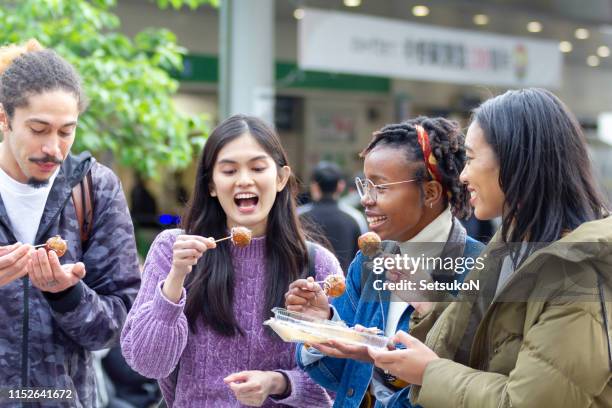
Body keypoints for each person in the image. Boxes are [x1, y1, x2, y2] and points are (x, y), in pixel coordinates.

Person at [367, 89, 612, 407]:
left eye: (470, 158)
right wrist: (432, 307)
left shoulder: (577, 272)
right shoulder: (510, 247)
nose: (463, 175)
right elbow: (491, 350)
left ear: (515, 162)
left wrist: (430, 373)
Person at [121, 115, 338, 407]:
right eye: (229, 170)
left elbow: (341, 382)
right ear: (211, 184)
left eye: (258, 168)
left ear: (281, 178)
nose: (244, 180)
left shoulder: (316, 264)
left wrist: (278, 382)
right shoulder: (173, 249)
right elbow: (148, 364)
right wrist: (175, 280)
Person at [285, 117, 484, 407]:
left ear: (429, 193)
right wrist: (325, 324)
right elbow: (342, 378)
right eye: (365, 185)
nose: (366, 199)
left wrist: (431, 308)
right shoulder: (368, 264)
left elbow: (477, 386)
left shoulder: (480, 269)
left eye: (381, 187)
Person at [0, 40, 140, 406]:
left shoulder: (94, 188)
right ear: (4, 118)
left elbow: (121, 324)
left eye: (66, 131)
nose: (54, 148)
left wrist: (67, 295)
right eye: (39, 129)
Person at [299, 161, 365, 272]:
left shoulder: (298, 217)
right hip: (345, 287)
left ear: (314, 186)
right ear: (340, 186)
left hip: (306, 287)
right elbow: (363, 259)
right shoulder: (355, 218)